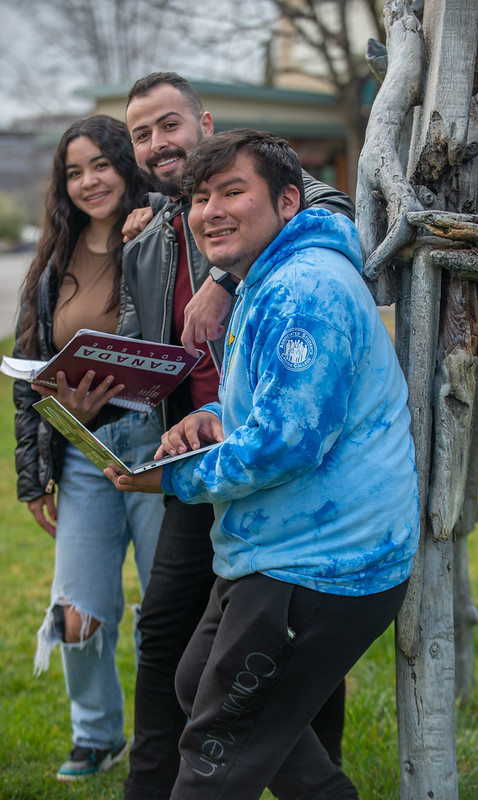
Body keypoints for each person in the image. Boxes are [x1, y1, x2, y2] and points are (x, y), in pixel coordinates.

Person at [105, 128, 420, 799]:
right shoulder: (269, 274)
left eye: (231, 191)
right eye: (198, 197)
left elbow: (288, 443)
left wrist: (173, 478)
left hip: (322, 563)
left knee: (218, 755)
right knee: (197, 685)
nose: (210, 209)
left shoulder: (304, 290)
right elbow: (280, 411)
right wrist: (214, 417)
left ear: (285, 201)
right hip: (280, 545)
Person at [12, 115, 166, 781]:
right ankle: (98, 736)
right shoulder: (52, 261)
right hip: (81, 451)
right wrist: (31, 476)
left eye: (100, 164)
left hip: (158, 445)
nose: (88, 181)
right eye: (74, 171)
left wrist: (155, 210)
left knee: (166, 605)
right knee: (76, 610)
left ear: (125, 164)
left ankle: (172, 735)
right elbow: (27, 368)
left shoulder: (161, 230)